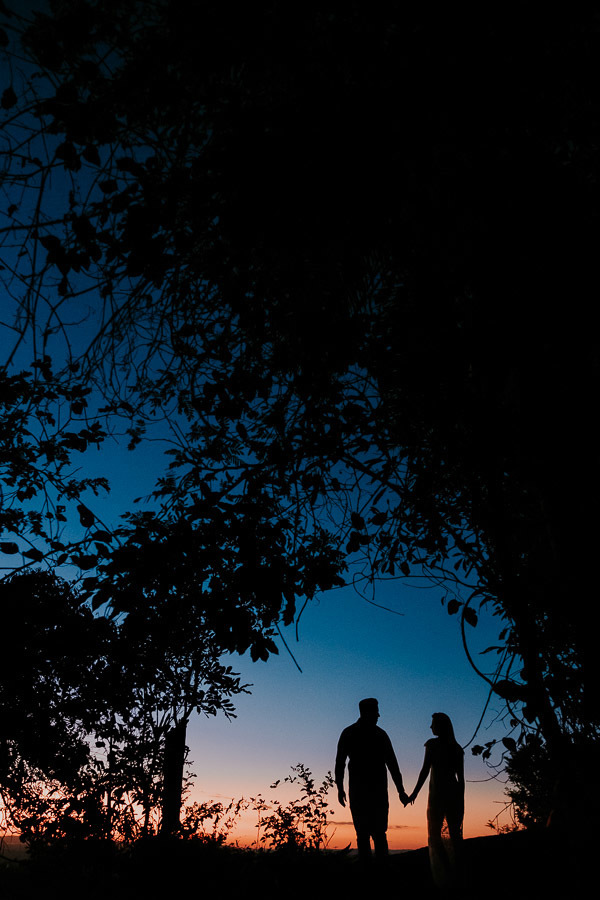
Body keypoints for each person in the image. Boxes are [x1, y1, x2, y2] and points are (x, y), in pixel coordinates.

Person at [335, 698, 408, 863]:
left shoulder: (352, 733)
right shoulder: (378, 734)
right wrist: (400, 790)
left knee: (369, 834)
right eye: (376, 712)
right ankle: (375, 871)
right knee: (372, 834)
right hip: (372, 791)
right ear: (367, 712)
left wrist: (401, 790)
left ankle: (372, 871)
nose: (379, 715)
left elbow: (392, 764)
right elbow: (393, 764)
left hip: (367, 790)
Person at [408, 712, 465, 888]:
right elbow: (461, 779)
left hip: (439, 795)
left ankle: (446, 873)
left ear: (440, 726)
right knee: (454, 835)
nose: (430, 727)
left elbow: (425, 771)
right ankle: (456, 872)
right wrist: (461, 800)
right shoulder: (457, 748)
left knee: (435, 834)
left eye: (433, 724)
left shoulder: (432, 745)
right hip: (454, 794)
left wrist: (414, 793)